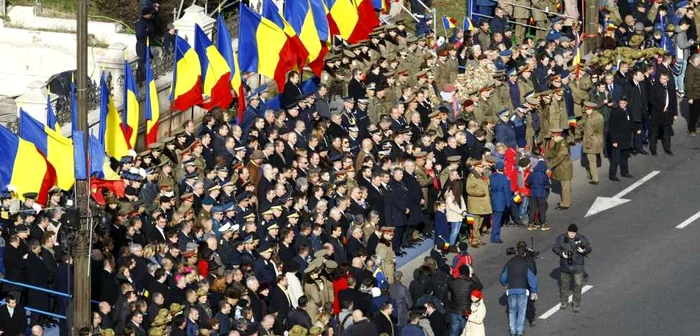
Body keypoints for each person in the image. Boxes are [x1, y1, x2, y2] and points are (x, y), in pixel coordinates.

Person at [500, 242, 538, 336]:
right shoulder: (526, 263)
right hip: (522, 290)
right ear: (524, 253)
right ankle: (520, 331)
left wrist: (504, 283)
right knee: (521, 312)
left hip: (511, 290)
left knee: (512, 311)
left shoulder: (509, 262)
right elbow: (532, 279)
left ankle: (512, 331)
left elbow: (503, 277)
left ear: (516, 252)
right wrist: (534, 291)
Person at [552, 224, 592, 313]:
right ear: (568, 231)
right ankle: (564, 302)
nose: (571, 234)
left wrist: (584, 250)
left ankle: (576, 304)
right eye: (570, 232)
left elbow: (589, 247)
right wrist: (562, 253)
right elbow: (554, 247)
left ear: (576, 232)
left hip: (578, 266)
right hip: (565, 266)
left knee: (578, 285)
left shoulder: (582, 239)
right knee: (564, 285)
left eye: (573, 233)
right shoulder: (561, 238)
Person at [648, 71, 678, 156]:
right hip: (657, 113)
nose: (662, 80)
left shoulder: (671, 87)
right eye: (661, 78)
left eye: (664, 79)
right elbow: (652, 100)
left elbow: (673, 101)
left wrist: (675, 113)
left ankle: (668, 148)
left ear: (667, 79)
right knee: (655, 132)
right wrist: (661, 108)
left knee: (666, 132)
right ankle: (653, 149)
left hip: (668, 113)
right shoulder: (655, 87)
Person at [544, 129, 573, 210]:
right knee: (564, 186)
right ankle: (565, 201)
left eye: (553, 136)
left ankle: (565, 204)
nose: (552, 138)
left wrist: (548, 165)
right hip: (562, 168)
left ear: (557, 135)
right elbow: (552, 151)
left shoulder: (563, 145)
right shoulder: (558, 143)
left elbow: (558, 158)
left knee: (565, 187)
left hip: (564, 168)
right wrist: (544, 156)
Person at [608, 96, 634, 180]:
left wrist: (636, 129)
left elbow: (631, 122)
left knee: (624, 156)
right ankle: (612, 175)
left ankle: (624, 172)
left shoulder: (628, 110)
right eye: (621, 103)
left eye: (624, 103)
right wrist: (614, 140)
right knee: (615, 158)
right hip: (618, 138)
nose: (622, 105)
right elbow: (612, 127)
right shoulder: (615, 112)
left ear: (627, 103)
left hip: (626, 137)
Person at [580, 102, 605, 185]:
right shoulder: (600, 116)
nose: (585, 111)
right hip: (599, 140)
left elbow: (588, 134)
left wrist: (587, 146)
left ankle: (595, 178)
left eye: (586, 109)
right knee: (596, 158)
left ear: (591, 109)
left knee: (591, 160)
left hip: (592, 142)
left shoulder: (590, 120)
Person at [685, 53, 700, 136]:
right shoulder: (690, 69)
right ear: (695, 60)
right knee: (693, 114)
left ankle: (695, 127)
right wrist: (689, 97)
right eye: (699, 61)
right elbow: (688, 83)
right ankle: (692, 130)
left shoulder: (696, 67)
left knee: (697, 113)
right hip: (694, 95)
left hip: (698, 93)